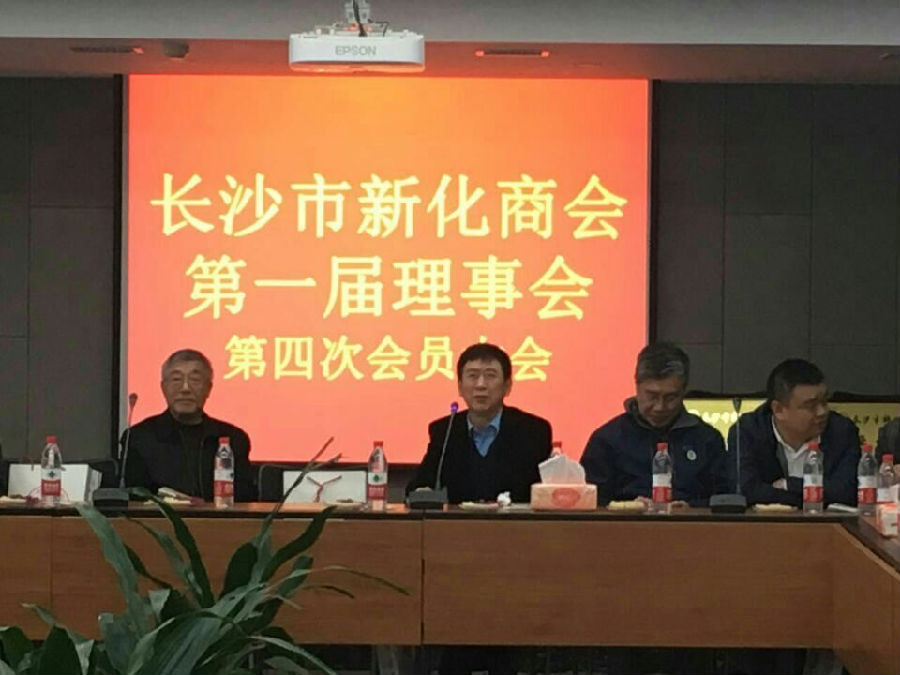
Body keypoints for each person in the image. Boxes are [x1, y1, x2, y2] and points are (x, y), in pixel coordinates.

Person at [580, 342, 731, 507]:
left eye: (671, 397)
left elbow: (725, 499)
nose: (660, 407)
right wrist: (625, 507)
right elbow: (588, 501)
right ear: (637, 387)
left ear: (683, 392)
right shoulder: (607, 440)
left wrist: (692, 509)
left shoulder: (707, 440)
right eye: (652, 396)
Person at [408, 342, 552, 505]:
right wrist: (422, 493)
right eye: (472, 376)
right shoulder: (445, 431)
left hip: (514, 521)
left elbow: (546, 492)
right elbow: (418, 487)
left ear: (507, 386)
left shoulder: (533, 431)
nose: (481, 385)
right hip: (456, 521)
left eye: (490, 375)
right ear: (460, 387)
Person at [122, 349, 256, 501]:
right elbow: (133, 496)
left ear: (208, 388)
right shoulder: (139, 437)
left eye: (195, 380)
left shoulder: (233, 438)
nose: (185, 388)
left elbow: (245, 498)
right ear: (163, 388)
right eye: (176, 379)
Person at [729, 358, 859, 508]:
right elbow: (746, 491)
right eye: (810, 405)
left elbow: (847, 492)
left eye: (824, 402)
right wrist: (812, 496)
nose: (822, 412)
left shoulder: (842, 431)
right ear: (778, 410)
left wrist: (789, 485)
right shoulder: (749, 431)